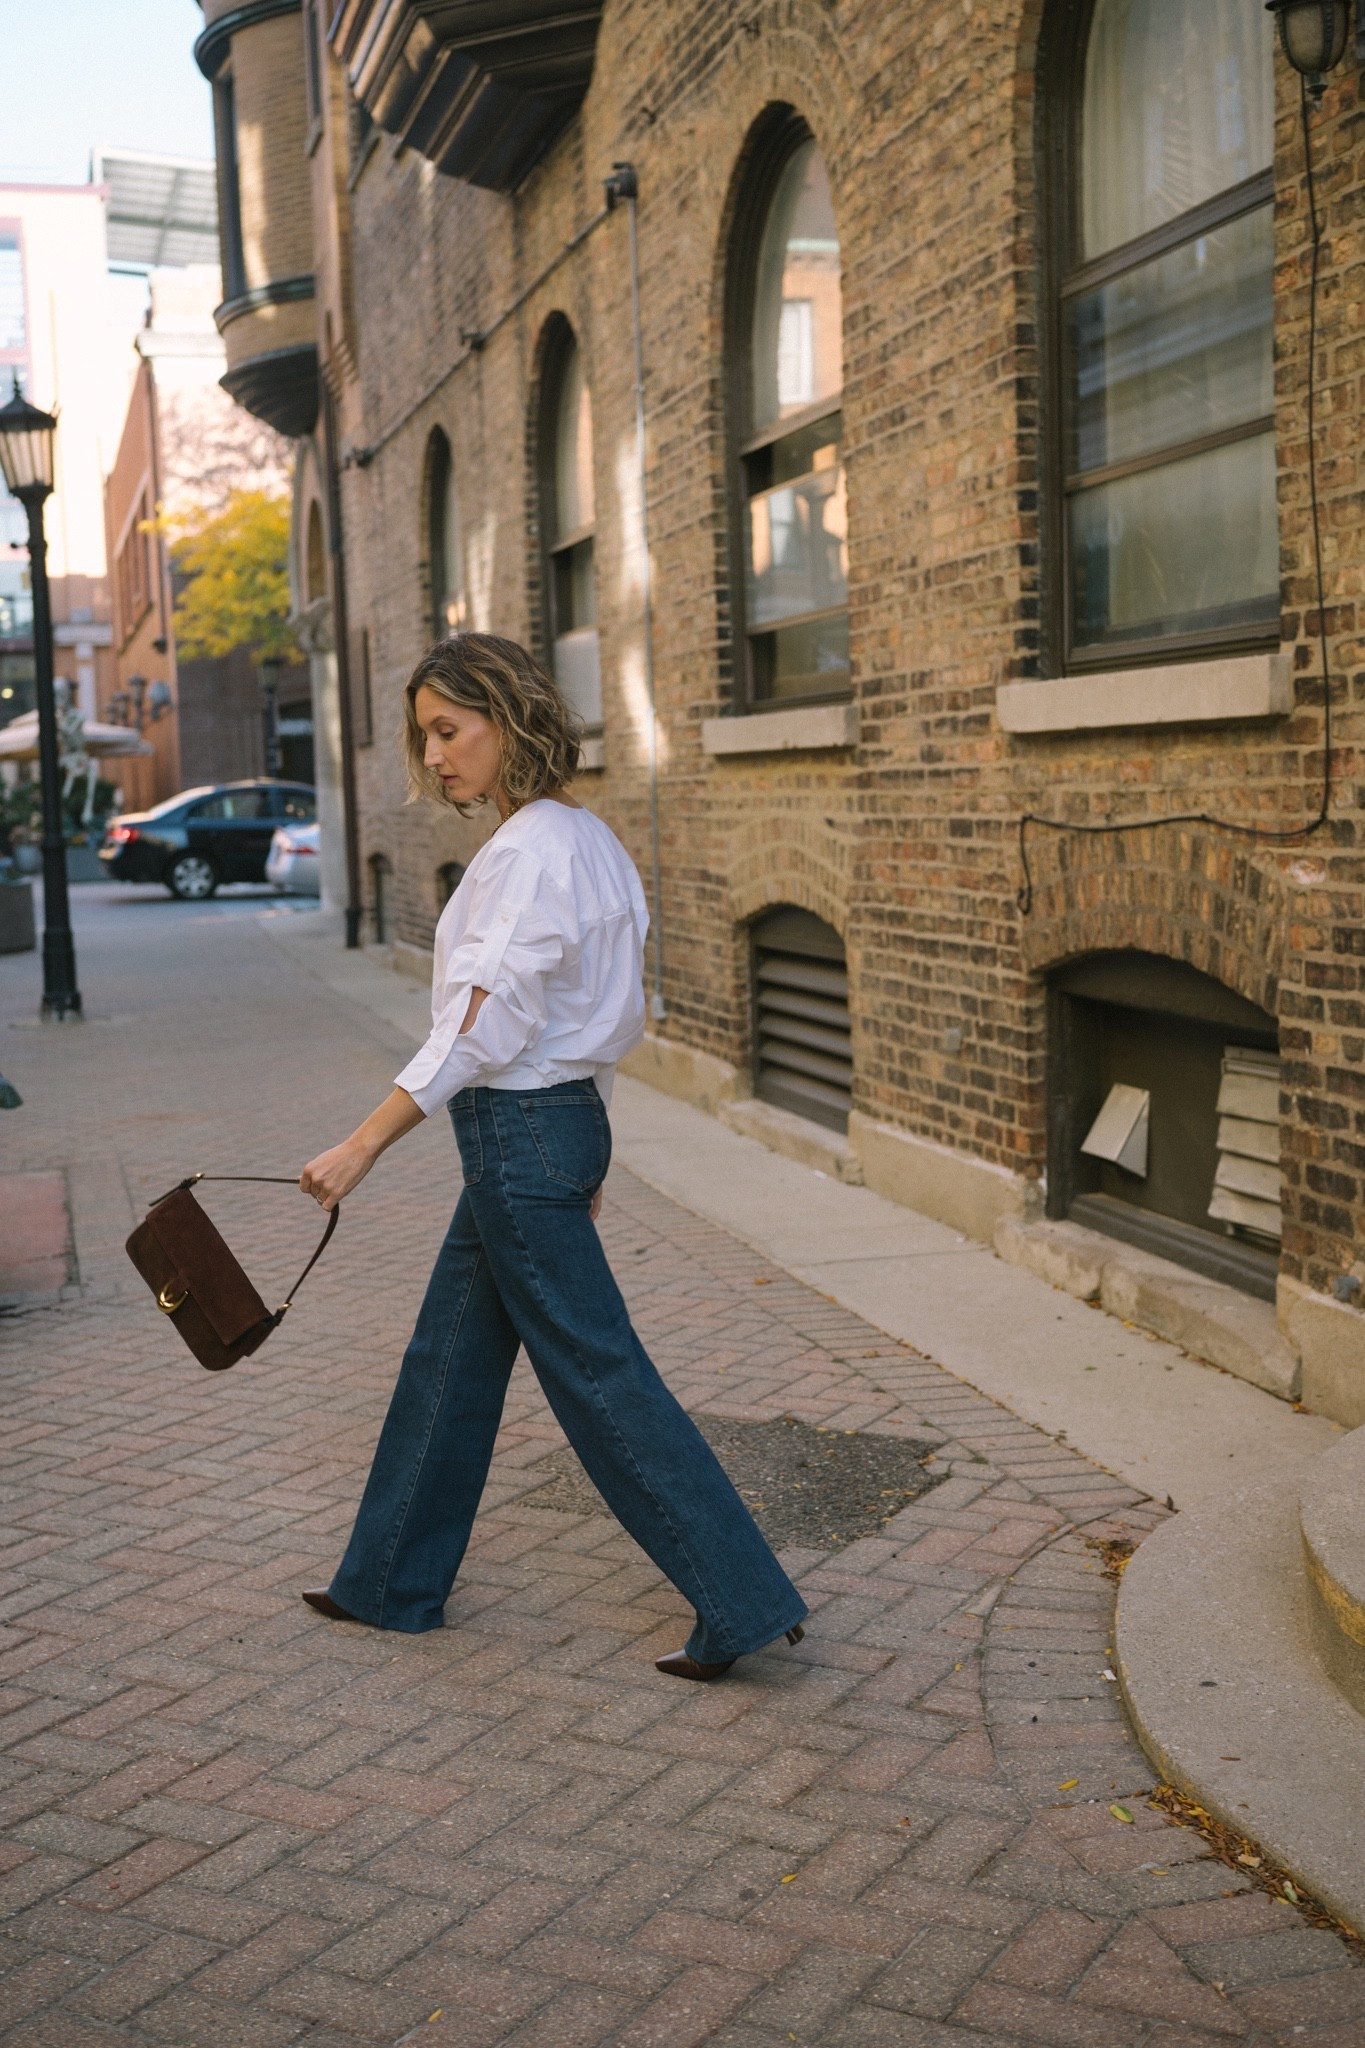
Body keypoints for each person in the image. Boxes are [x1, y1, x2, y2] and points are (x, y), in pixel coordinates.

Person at [298, 632, 807, 1681]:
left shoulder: (528, 853)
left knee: (599, 1374)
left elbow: (482, 1026)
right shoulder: (587, 839)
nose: (433, 755)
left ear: (508, 719)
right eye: (423, 735)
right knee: (450, 1358)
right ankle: (388, 1579)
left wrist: (362, 1144)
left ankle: (741, 1599)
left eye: (449, 730)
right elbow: (599, 1020)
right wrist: (593, 1144)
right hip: (551, 1129)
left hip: (521, 1136)